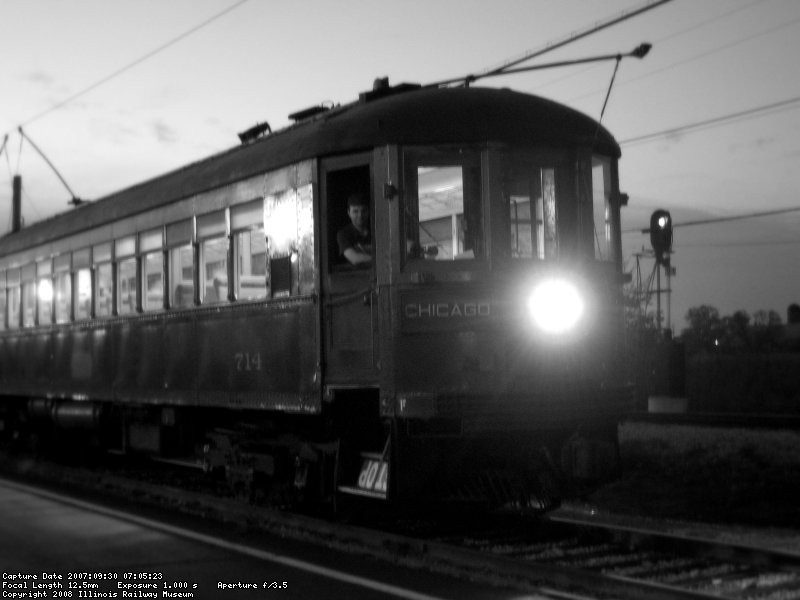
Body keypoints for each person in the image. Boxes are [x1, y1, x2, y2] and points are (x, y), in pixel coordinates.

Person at [337, 193, 372, 265]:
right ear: (349, 213)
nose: (360, 215)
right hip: (355, 274)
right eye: (355, 211)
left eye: (364, 211)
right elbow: (354, 258)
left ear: (369, 212)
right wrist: (379, 259)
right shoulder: (343, 234)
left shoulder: (378, 230)